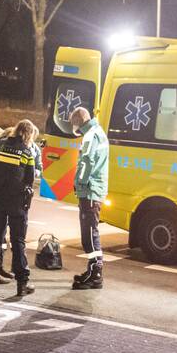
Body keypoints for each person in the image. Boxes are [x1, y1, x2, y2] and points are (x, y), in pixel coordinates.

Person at [0, 120, 38, 296]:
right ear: (29, 135)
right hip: (17, 202)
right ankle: (22, 284)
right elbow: (30, 179)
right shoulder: (26, 153)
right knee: (18, 242)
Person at [69, 107, 109, 290]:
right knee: (91, 233)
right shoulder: (98, 132)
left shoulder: (90, 136)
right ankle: (92, 271)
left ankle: (96, 275)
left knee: (90, 235)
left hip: (90, 190)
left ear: (78, 122)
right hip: (96, 189)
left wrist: (80, 183)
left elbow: (87, 161)